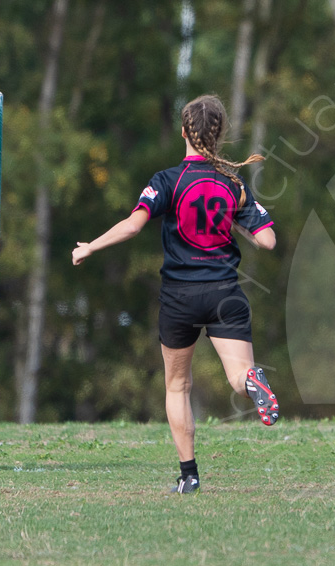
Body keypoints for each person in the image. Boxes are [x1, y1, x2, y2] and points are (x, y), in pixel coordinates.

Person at [73, 94, 278, 495]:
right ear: (218, 136)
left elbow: (133, 226)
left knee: (177, 386)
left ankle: (189, 475)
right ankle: (253, 380)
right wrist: (236, 217)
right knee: (237, 376)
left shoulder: (167, 180)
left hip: (180, 297)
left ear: (184, 132)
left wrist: (91, 247)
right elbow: (268, 241)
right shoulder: (233, 184)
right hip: (225, 293)